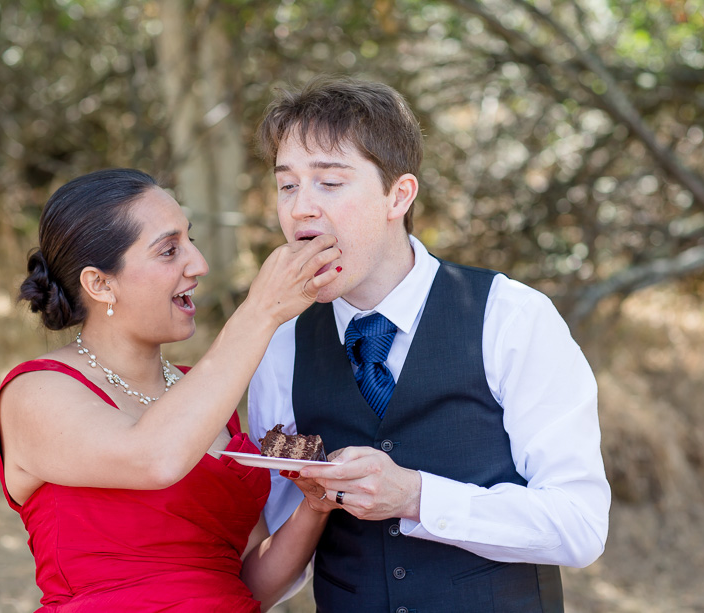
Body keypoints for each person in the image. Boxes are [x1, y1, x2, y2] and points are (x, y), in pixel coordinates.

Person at [248, 76, 610, 612]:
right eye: (287, 185)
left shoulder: (511, 316)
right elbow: (275, 557)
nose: (301, 208)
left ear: (399, 195)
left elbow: (580, 526)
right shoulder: (279, 344)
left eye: (329, 182)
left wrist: (418, 497)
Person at [0, 168, 343, 612]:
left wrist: (314, 505)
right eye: (169, 250)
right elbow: (153, 459)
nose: (198, 264)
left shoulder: (202, 393)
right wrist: (261, 311)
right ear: (100, 283)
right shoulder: (36, 392)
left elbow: (244, 583)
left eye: (190, 240)